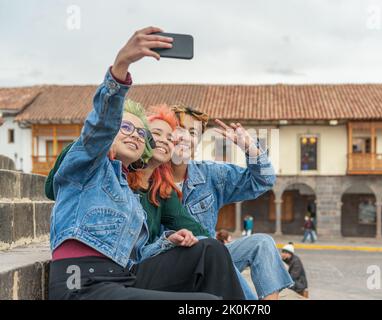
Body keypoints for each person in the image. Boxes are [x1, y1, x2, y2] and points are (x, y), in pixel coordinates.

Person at [47, 27, 243, 300]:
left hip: (125, 276)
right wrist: (121, 66)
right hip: (80, 283)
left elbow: (137, 253)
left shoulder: (130, 194)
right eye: (125, 127)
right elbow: (100, 125)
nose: (134, 135)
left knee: (210, 251)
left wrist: (168, 241)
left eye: (141, 133)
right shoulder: (88, 165)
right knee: (206, 303)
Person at [171, 105, 294, 300]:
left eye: (193, 132)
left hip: (212, 261)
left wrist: (250, 148)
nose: (185, 137)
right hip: (171, 266)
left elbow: (264, 181)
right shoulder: (149, 175)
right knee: (209, 247)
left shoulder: (211, 174)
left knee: (262, 243)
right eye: (178, 129)